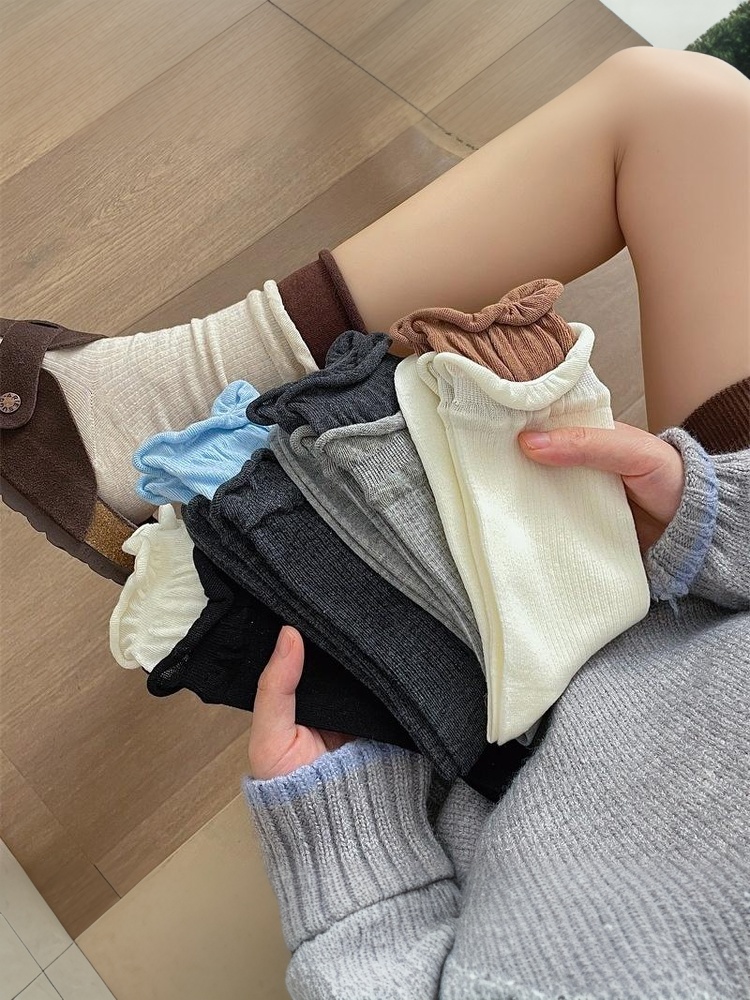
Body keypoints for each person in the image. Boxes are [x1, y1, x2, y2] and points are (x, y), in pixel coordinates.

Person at [1, 45, 748, 997]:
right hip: (712, 608)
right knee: (688, 114)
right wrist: (717, 516)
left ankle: (151, 427)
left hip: (536, 773)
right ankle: (161, 397)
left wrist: (351, 856)